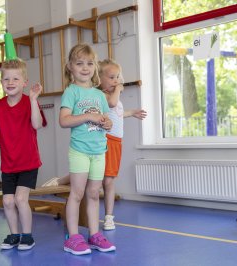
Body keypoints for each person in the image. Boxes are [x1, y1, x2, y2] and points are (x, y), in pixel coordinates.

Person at [44, 59, 147, 231]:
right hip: (105, 141)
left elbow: (116, 113)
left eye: (118, 77)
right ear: (100, 78)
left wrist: (131, 113)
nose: (116, 81)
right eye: (112, 77)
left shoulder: (107, 94)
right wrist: (120, 89)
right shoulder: (104, 94)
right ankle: (107, 216)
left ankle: (105, 217)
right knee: (103, 180)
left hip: (116, 142)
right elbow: (113, 103)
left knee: (105, 178)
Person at [0, 58, 44, 251]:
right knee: (7, 201)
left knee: (20, 199)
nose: (11, 82)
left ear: (24, 82)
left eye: (15, 78)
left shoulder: (28, 102)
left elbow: (37, 124)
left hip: (28, 162)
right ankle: (14, 235)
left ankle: (28, 236)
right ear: (1, 82)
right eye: (6, 79)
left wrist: (33, 100)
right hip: (8, 165)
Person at [59, 43, 116, 255]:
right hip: (80, 151)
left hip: (99, 151)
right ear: (70, 67)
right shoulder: (71, 92)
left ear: (95, 67)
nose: (85, 68)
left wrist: (107, 123)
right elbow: (64, 121)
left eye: (90, 63)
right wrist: (89, 116)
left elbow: (104, 119)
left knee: (93, 194)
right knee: (77, 193)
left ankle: (94, 234)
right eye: (79, 63)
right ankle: (73, 237)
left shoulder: (100, 95)